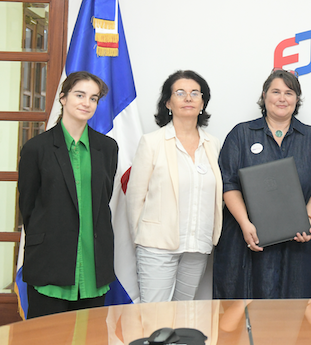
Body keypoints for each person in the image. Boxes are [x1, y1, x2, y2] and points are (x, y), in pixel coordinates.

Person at [213, 69, 311, 299]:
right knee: (245, 307)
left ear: (296, 99)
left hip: (299, 244)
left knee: (296, 309)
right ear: (264, 95)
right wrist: (245, 224)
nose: (282, 98)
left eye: (289, 93)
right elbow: (228, 183)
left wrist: (306, 219)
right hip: (247, 239)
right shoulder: (241, 134)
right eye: (276, 92)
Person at [18, 71, 118, 318]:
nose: (87, 103)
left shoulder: (107, 148)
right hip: (49, 262)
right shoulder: (36, 148)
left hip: (94, 264)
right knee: (46, 335)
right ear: (63, 98)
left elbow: (103, 200)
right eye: (80, 95)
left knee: (90, 335)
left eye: (93, 98)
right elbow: (28, 207)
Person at [126, 70, 223, 302]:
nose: (188, 98)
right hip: (157, 246)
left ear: (203, 103)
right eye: (180, 93)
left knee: (184, 315)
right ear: (168, 103)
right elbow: (135, 198)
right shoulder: (152, 142)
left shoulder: (213, 145)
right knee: (155, 316)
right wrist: (143, 239)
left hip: (197, 247)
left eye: (195, 93)